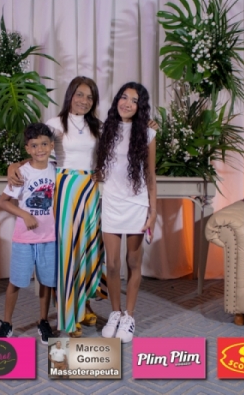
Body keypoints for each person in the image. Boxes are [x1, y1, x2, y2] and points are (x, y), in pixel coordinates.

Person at [8, 76, 105, 338]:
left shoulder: (97, 126)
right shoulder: (55, 124)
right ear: (70, 95)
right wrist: (14, 165)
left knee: (86, 250)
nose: (84, 100)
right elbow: (38, 156)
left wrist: (101, 172)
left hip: (90, 190)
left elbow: (108, 155)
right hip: (65, 189)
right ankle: (69, 315)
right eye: (79, 94)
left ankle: (84, 306)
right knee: (68, 253)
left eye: (90, 97)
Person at [96, 82, 157, 344]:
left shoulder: (148, 133)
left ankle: (129, 316)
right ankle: (115, 313)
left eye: (134, 100)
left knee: (133, 262)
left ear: (140, 107)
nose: (127, 103)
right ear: (117, 100)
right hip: (111, 202)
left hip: (136, 204)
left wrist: (153, 211)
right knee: (111, 264)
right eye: (124, 97)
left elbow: (151, 175)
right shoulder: (104, 130)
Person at [0, 122, 57, 344]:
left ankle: (43, 320)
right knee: (16, 281)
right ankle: (6, 322)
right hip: (24, 239)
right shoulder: (21, 173)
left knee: (47, 282)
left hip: (50, 238)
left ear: (51, 145)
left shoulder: (56, 169)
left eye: (44, 144)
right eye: (35, 145)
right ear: (27, 149)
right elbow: (3, 202)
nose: (40, 149)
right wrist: (25, 214)